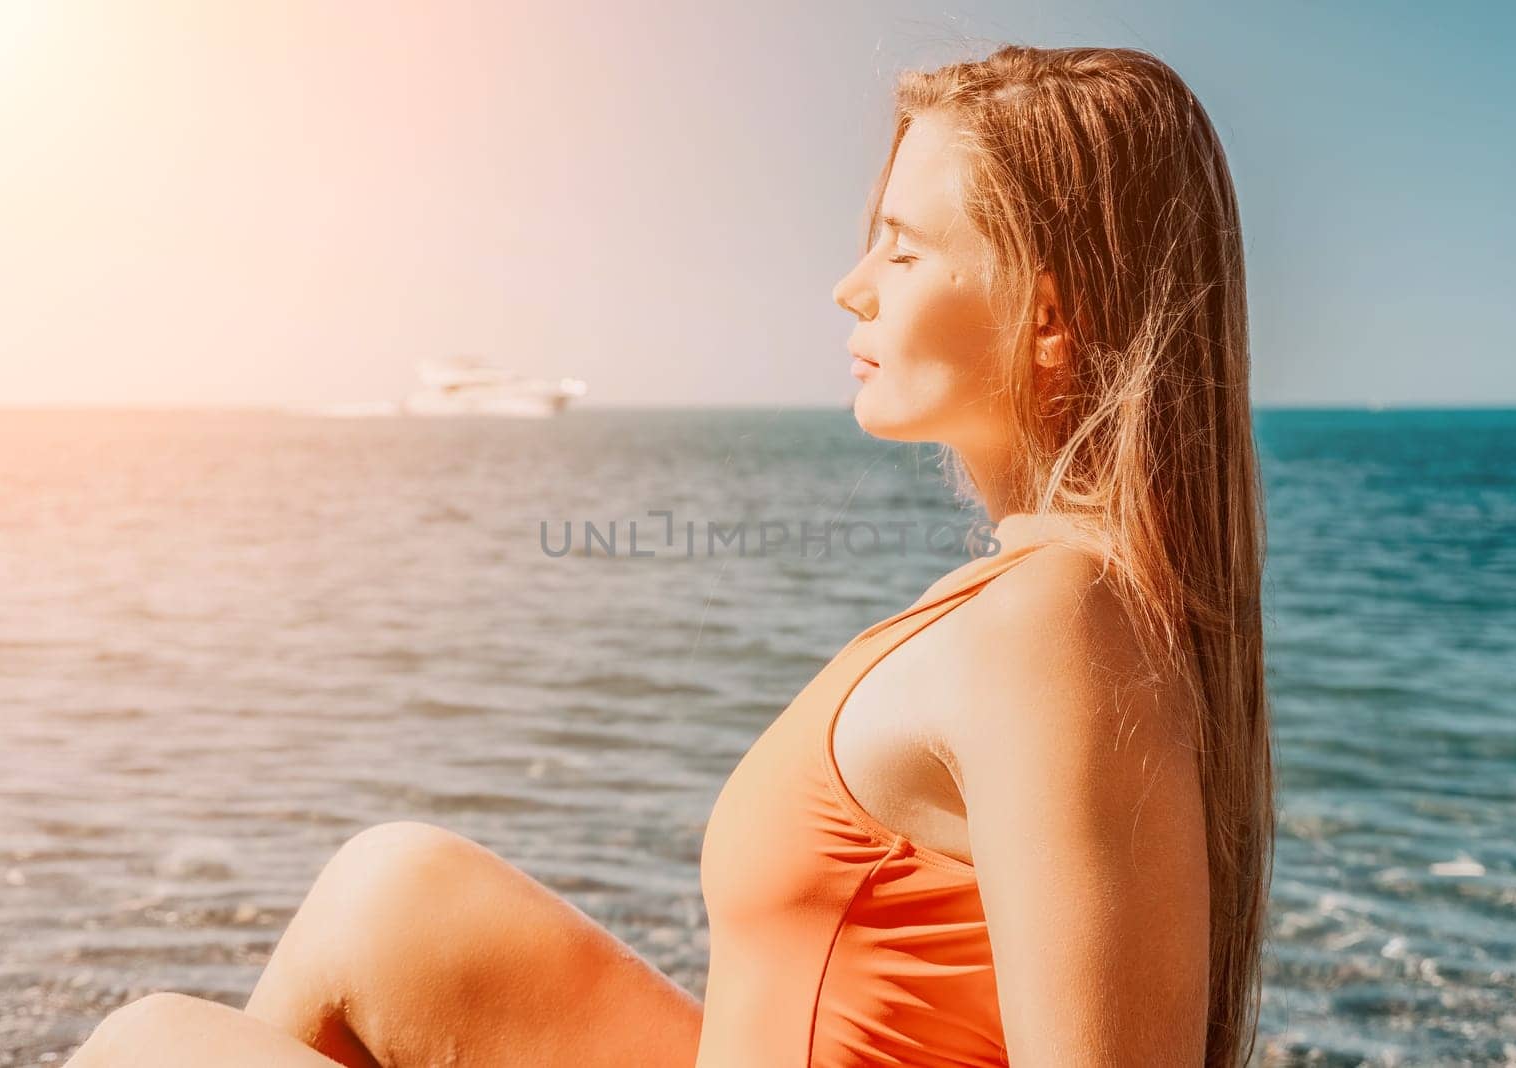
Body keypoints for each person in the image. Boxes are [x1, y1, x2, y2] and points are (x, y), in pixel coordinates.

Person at [62, 42, 1273, 1068]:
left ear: (1049, 318)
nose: (851, 287)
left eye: (901, 250)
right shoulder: (1040, 600)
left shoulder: (1054, 623)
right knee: (396, 890)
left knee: (152, 1044)